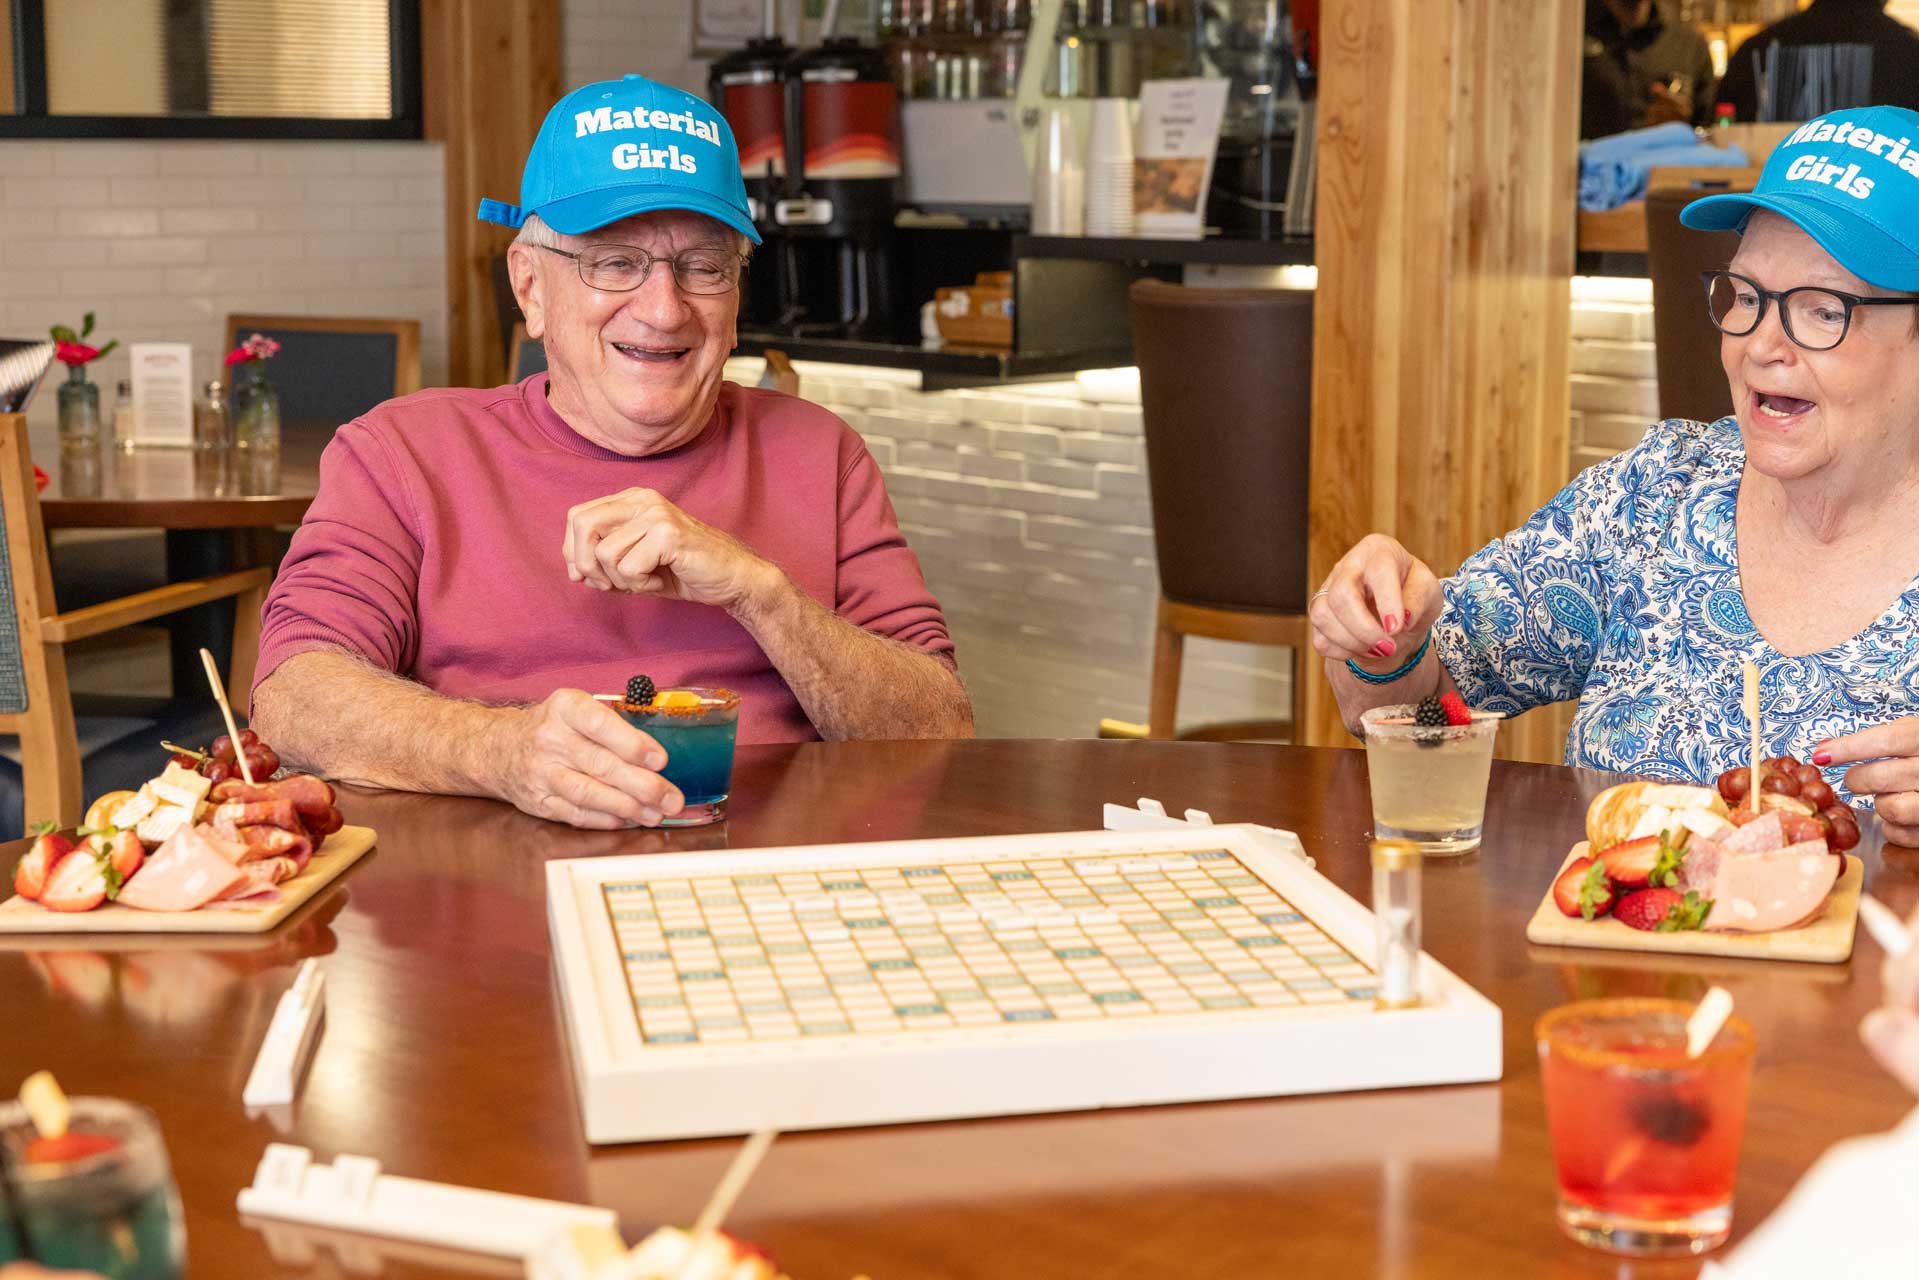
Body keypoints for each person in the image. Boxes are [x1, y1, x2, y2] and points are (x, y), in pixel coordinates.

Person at [251, 74, 973, 830]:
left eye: (703, 267)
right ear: (530, 288)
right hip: (495, 884)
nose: (664, 310)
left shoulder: (821, 453)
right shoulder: (402, 452)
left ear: (734, 303)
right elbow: (295, 697)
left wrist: (759, 594)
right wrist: (500, 750)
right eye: (614, 262)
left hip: (767, 877)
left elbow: (938, 729)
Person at [1309, 105, 1919, 844]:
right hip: (1605, 956)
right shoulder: (1655, 495)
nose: (1760, 346)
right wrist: (1388, 649)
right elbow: (1431, 715)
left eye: (1822, 312)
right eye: (1748, 297)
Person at [1716, 0, 1919, 122]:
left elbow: (1721, 124)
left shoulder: (1758, 47)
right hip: (1882, 186)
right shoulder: (1908, 48)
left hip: (1770, 185)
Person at [1582, 0, 1718, 136]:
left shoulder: (1690, 46)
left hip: (1667, 154)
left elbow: (1707, 128)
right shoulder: (1573, 30)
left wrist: (1679, 126)